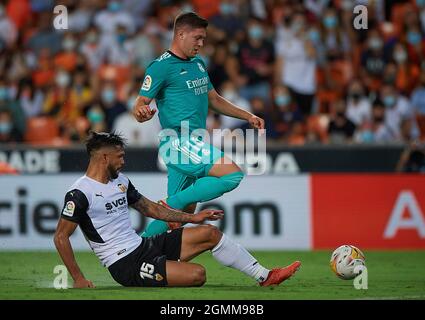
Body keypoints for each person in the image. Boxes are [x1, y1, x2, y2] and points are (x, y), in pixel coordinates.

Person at [53, 132, 301, 288]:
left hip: (142, 246)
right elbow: (61, 236)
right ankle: (162, 269)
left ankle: (265, 276)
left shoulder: (121, 182)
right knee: (197, 275)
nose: (123, 161)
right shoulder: (80, 193)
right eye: (119, 156)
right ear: (104, 159)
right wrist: (78, 278)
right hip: (124, 264)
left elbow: (151, 209)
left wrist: (193, 217)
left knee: (209, 233)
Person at [133, 12, 265, 237]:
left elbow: (214, 100)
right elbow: (140, 103)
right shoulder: (160, 67)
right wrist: (141, 112)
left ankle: (138, 250)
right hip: (177, 141)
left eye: (203, 39)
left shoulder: (198, 63)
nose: (201, 43)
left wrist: (247, 116)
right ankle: (166, 203)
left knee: (177, 216)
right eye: (197, 38)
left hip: (194, 140)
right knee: (232, 175)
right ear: (180, 34)